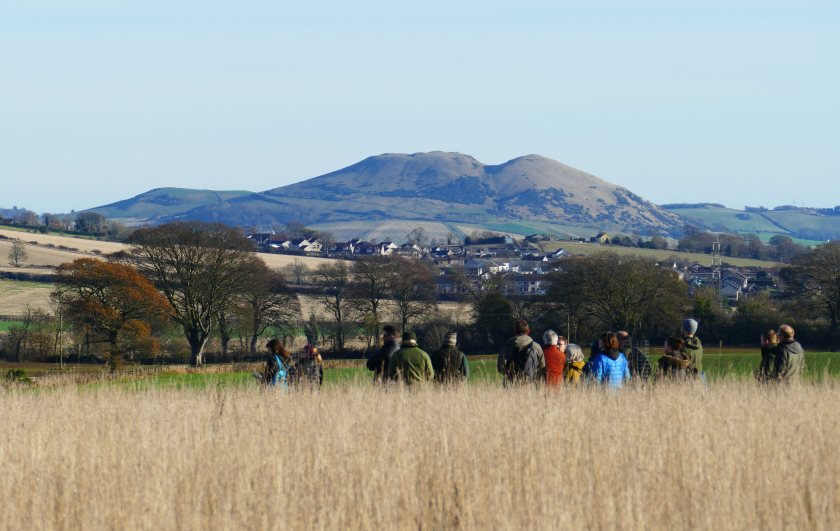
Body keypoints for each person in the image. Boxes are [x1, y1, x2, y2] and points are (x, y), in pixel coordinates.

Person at [497, 320, 545, 385]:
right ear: (528, 331)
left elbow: (500, 366)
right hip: (530, 384)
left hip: (511, 383)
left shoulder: (508, 346)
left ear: (515, 331)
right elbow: (542, 366)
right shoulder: (535, 346)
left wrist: (509, 374)